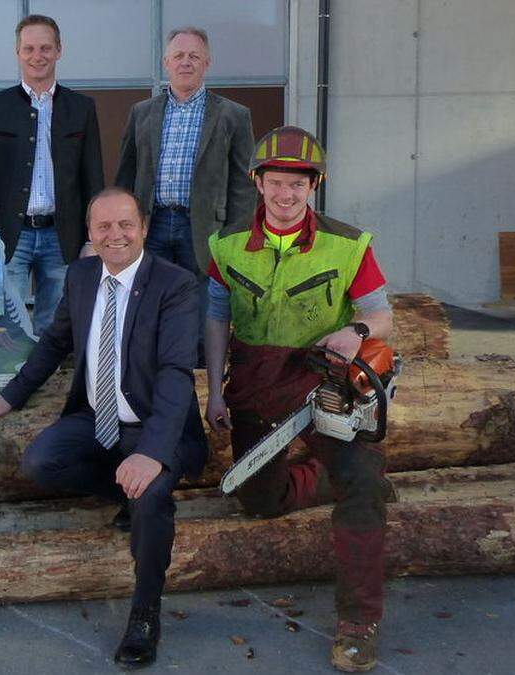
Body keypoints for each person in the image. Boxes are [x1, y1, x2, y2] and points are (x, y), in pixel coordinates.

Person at [0, 187, 208, 670]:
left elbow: (178, 375)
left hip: (155, 426)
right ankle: (123, 496)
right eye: (103, 227)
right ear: (91, 234)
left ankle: (144, 614)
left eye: (125, 225)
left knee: (153, 496)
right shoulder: (81, 274)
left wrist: (153, 453)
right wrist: (11, 395)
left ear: (144, 228)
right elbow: (55, 342)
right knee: (40, 462)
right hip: (96, 420)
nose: (115, 235)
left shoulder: (175, 285)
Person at [202, 126, 394, 673]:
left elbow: (383, 314)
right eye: (278, 182)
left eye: (299, 185)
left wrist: (356, 329)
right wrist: (215, 389)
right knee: (259, 499)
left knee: (361, 480)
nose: (287, 195)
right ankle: (325, 479)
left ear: (314, 187)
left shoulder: (348, 242)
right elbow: (216, 318)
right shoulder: (227, 243)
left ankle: (358, 623)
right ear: (258, 182)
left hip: (327, 385)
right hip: (257, 385)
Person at [115, 26, 256, 359]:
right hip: (154, 222)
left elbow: (243, 184)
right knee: (150, 295)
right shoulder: (142, 113)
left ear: (207, 62)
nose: (186, 62)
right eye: (178, 55)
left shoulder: (233, 115)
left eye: (194, 56)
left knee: (207, 301)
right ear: (166, 62)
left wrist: (236, 237)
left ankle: (205, 369)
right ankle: (157, 360)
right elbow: (126, 173)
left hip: (206, 226)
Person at [0, 14, 104, 336]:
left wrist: (93, 238)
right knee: (10, 323)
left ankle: (48, 384)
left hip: (62, 235)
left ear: (59, 50)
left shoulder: (82, 107)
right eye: (29, 48)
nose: (38, 56)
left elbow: (93, 177)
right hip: (10, 235)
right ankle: (14, 384)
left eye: (46, 48)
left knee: (55, 325)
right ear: (18, 52)